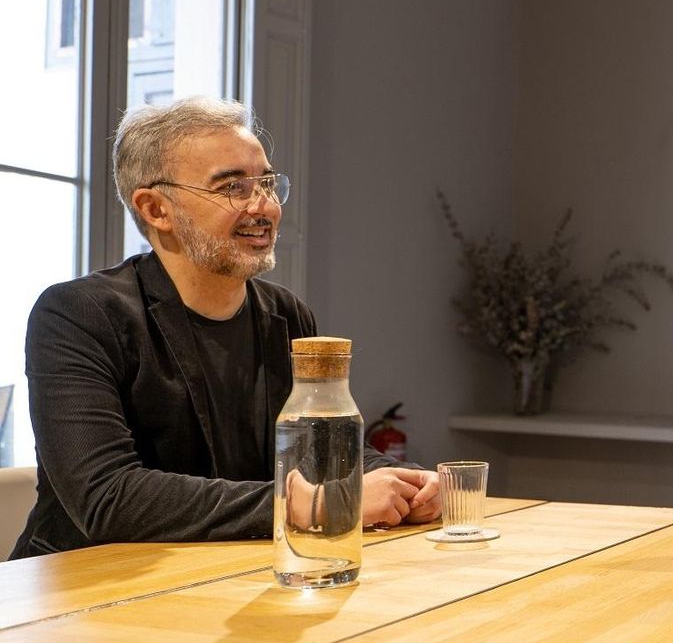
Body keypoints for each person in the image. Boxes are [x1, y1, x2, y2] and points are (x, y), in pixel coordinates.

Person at [10, 98, 440, 559]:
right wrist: (307, 504)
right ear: (156, 209)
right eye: (234, 187)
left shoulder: (288, 316)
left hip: (227, 573)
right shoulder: (77, 314)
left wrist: (408, 484)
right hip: (83, 592)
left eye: (268, 184)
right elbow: (107, 496)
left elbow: (326, 449)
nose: (265, 207)